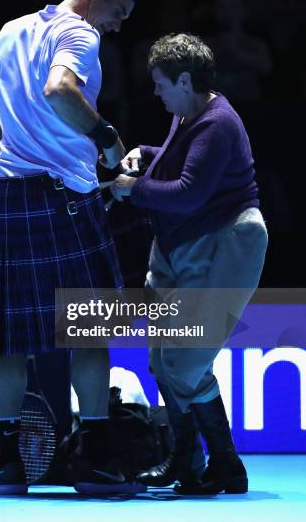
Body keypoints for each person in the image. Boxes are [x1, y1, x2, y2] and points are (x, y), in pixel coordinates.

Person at [0, 0, 141, 496]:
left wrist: (23, 149)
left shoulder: (10, 29)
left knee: (9, 339)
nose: (116, 25)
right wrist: (107, 138)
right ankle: (90, 460)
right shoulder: (78, 31)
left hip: (13, 195)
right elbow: (60, 87)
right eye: (117, 11)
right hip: (67, 197)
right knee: (88, 334)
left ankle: (6, 464)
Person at [111, 33, 268, 494]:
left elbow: (189, 193)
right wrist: (149, 153)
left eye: (160, 83)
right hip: (177, 245)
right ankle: (208, 463)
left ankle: (206, 459)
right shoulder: (189, 111)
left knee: (182, 362)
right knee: (162, 361)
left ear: (183, 79)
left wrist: (130, 188)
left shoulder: (218, 122)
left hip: (220, 244)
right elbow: (183, 166)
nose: (155, 92)